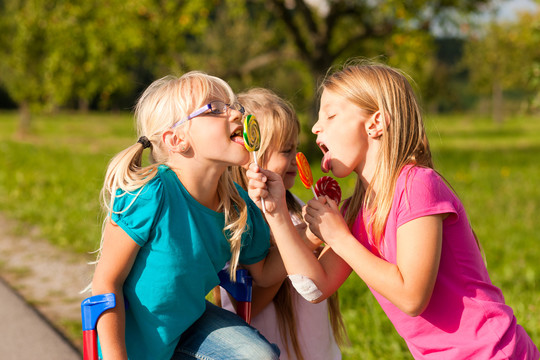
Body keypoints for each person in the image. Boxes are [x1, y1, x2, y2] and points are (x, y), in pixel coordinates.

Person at [246, 61, 540, 359]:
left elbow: (412, 297)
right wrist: (277, 213)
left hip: (491, 351)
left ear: (375, 124)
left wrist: (341, 239)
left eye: (331, 115)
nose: (315, 127)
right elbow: (314, 288)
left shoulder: (417, 185)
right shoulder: (356, 210)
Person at [90, 72, 283, 360]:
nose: (236, 114)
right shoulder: (151, 194)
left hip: (189, 326)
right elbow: (106, 283)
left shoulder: (237, 205)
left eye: (234, 107)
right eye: (215, 109)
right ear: (177, 139)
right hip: (133, 344)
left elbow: (265, 275)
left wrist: (314, 235)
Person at [215, 88, 348, 360]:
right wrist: (304, 240)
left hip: (313, 347)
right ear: (250, 155)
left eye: (296, 147)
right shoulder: (238, 219)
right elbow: (249, 305)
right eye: (287, 150)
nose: (297, 158)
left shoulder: (297, 205)